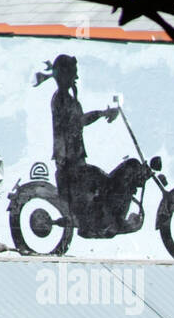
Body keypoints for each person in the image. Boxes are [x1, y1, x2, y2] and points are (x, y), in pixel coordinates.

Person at [34, 53, 148, 236]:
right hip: (70, 165)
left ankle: (111, 220)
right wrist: (103, 113)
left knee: (108, 181)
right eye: (73, 73)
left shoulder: (66, 99)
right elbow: (80, 121)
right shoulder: (62, 99)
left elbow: (79, 121)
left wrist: (103, 113)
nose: (76, 77)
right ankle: (101, 225)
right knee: (106, 183)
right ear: (65, 74)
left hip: (75, 162)